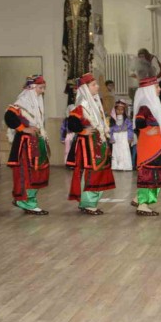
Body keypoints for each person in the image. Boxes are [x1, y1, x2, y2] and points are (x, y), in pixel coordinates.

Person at [66, 73, 115, 215]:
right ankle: (88, 203)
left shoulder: (95, 103)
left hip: (97, 143)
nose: (97, 87)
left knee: (98, 171)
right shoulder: (82, 105)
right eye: (93, 85)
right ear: (85, 88)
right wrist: (82, 131)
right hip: (88, 145)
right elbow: (72, 123)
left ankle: (88, 202)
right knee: (91, 171)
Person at [4, 75, 50, 215]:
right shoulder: (21, 103)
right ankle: (27, 202)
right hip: (25, 146)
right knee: (27, 173)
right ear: (31, 88)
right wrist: (23, 129)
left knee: (36, 173)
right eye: (40, 88)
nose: (42, 91)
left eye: (43, 88)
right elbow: (9, 116)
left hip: (35, 143)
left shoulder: (36, 104)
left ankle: (23, 200)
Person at [132, 76, 161, 216]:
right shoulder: (145, 106)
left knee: (153, 173)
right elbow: (139, 122)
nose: (159, 89)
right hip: (150, 147)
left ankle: (139, 199)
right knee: (149, 173)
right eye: (156, 87)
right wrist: (146, 130)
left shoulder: (151, 104)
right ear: (148, 89)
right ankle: (143, 204)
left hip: (156, 144)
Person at [110, 100, 134, 171]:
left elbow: (130, 129)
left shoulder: (127, 120)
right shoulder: (112, 120)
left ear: (124, 110)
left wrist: (130, 137)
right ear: (115, 110)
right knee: (116, 151)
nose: (120, 111)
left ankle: (126, 166)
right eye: (118, 109)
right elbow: (110, 130)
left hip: (124, 137)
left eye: (121, 110)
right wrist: (111, 137)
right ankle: (116, 166)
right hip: (116, 137)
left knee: (125, 150)